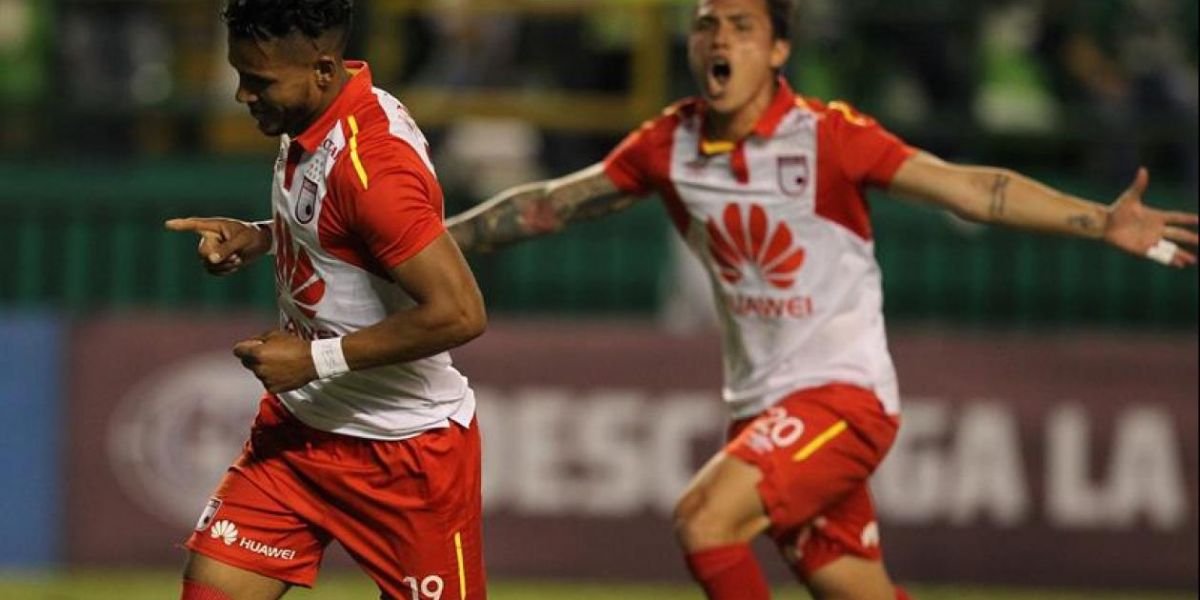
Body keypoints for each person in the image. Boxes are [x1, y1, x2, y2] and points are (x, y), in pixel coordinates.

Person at [446, 0, 1198, 598]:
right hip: (761, 406)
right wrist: (429, 243)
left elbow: (973, 189)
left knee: (705, 521)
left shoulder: (828, 137)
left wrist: (1100, 220)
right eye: (707, 23)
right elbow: (549, 205)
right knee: (855, 589)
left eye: (743, 26)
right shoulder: (667, 145)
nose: (720, 38)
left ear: (777, 51)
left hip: (843, 398)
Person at [165, 1, 488, 599]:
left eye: (257, 81)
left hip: (403, 454)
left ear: (321, 69)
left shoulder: (375, 169)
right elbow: (339, 227)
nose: (242, 95)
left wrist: (314, 361)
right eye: (240, 75)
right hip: (297, 438)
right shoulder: (318, 119)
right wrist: (262, 237)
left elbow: (461, 312)